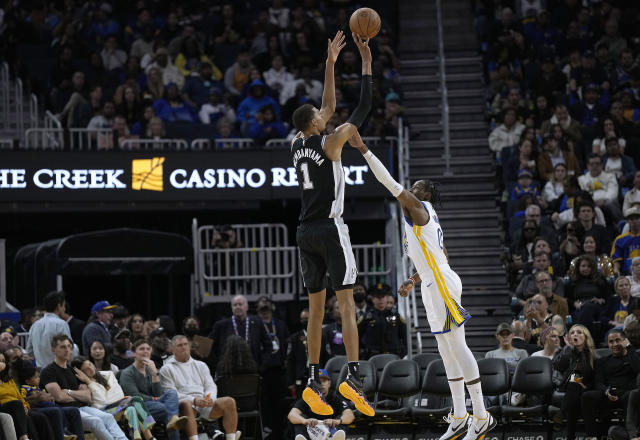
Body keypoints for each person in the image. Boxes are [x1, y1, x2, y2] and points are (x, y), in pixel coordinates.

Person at [349, 133, 496, 439]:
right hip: (431, 282)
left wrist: (363, 149)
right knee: (444, 349)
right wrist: (414, 280)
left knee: (458, 346)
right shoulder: (421, 221)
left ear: (425, 195)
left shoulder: (419, 209)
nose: (410, 192)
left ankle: (481, 415)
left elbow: (390, 183)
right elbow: (442, 252)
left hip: (441, 282)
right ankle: (458, 415)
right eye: (411, 188)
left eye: (416, 189)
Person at [290, 31, 375, 417]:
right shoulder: (332, 142)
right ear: (315, 123)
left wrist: (330, 63)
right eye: (323, 117)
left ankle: (311, 378)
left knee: (316, 310)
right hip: (329, 228)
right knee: (347, 305)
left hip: (303, 232)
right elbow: (362, 106)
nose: (329, 114)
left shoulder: (297, 143)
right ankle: (353, 375)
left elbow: (327, 103)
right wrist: (366, 62)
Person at [40, 334, 128, 440]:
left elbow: (88, 397)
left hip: (83, 407)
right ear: (53, 350)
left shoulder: (73, 370)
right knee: (96, 421)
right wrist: (77, 394)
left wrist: (69, 392)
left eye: (69, 347)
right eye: (63, 347)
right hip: (67, 411)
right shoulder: (48, 371)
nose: (67, 350)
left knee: (108, 417)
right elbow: (59, 397)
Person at [159, 335, 240, 440]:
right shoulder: (166, 369)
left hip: (204, 402)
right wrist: (194, 400)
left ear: (189, 346)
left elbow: (210, 385)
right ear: (172, 349)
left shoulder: (201, 365)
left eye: (185, 344)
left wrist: (210, 398)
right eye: (179, 345)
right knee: (186, 404)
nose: (183, 347)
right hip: (184, 405)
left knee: (229, 401)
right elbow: (171, 394)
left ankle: (231, 438)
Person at [70, 356, 156, 440]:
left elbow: (119, 394)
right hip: (104, 412)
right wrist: (89, 382)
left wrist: (110, 399)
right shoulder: (85, 385)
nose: (91, 369)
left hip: (121, 406)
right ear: (81, 373)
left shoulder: (108, 374)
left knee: (131, 409)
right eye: (86, 369)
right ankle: (149, 436)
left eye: (90, 364)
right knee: (135, 400)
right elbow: (102, 402)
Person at [119, 339, 186, 440]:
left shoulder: (150, 370)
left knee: (171, 393)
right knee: (166, 409)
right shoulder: (127, 373)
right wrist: (154, 398)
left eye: (148, 349)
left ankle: (173, 420)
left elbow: (159, 392)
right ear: (133, 353)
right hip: (139, 405)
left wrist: (155, 374)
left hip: (154, 402)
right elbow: (135, 395)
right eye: (141, 349)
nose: (146, 351)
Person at [581, 329, 640, 439]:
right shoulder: (603, 361)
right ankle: (591, 436)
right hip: (608, 394)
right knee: (587, 396)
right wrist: (606, 391)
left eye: (618, 340)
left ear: (625, 341)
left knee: (632, 395)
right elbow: (598, 382)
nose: (614, 344)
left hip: (626, 394)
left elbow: (638, 369)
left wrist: (630, 348)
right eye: (611, 342)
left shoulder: (633, 357)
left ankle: (633, 435)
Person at [16, 360, 84, 440]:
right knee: (55, 410)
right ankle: (63, 432)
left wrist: (49, 396)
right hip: (37, 406)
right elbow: (23, 399)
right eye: (36, 377)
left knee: (73, 410)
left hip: (47, 403)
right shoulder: (24, 388)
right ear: (28, 381)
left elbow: (46, 394)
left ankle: (68, 431)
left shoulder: (38, 387)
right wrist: (35, 397)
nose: (39, 379)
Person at [552, 324, 598, 440]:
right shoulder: (568, 352)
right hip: (570, 386)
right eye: (572, 333)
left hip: (587, 388)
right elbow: (558, 366)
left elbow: (595, 376)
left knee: (575, 402)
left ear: (586, 337)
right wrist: (567, 348)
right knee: (574, 382)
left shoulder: (593, 356)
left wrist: (586, 385)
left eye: (579, 332)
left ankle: (564, 420)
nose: (575, 335)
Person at [287, 368, 354, 440]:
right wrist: (305, 421)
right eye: (318, 381)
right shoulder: (307, 398)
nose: (321, 384)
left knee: (342, 418)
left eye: (324, 381)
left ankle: (335, 437)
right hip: (312, 430)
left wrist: (337, 421)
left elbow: (350, 415)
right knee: (299, 418)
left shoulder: (335, 397)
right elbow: (292, 415)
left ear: (329, 383)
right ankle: (303, 438)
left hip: (330, 430)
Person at [208, 295, 270, 370]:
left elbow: (268, 345)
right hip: (228, 371)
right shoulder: (221, 325)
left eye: (240, 304)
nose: (237, 307)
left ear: (247, 307)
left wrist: (262, 365)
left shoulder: (257, 323)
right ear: (231, 308)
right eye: (235, 305)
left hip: (253, 369)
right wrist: (218, 364)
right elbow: (208, 346)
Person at [358, 284, 406, 358]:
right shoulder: (366, 317)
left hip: (393, 356)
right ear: (373, 299)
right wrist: (362, 352)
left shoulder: (396, 316)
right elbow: (357, 336)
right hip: (372, 356)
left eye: (383, 297)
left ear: (386, 298)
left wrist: (403, 353)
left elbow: (404, 335)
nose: (380, 300)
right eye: (378, 297)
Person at [26, 291, 73, 369]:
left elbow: (30, 352)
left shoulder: (35, 325)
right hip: (58, 370)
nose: (64, 309)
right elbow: (69, 349)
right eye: (64, 306)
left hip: (40, 371)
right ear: (58, 306)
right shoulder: (61, 324)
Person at [286, 309, 310, 399]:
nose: (304, 321)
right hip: (301, 377)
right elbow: (290, 360)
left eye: (306, 318)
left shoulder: (321, 335)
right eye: (302, 319)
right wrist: (290, 382)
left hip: (317, 375)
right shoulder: (294, 338)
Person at [612, 206, 640, 275]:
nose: (634, 221)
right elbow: (616, 260)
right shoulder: (620, 239)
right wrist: (616, 270)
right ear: (627, 221)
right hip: (627, 275)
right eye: (631, 219)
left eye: (637, 218)